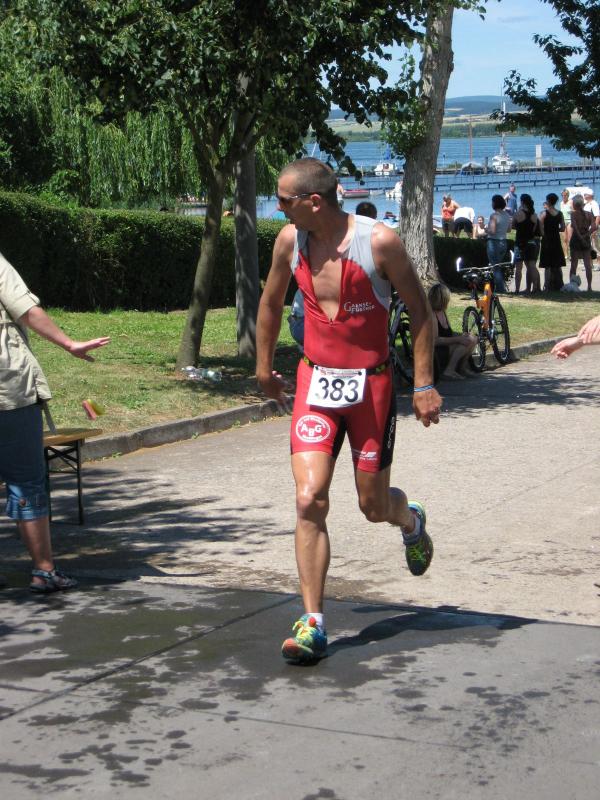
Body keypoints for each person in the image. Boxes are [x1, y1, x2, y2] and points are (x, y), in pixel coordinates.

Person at [256, 157, 441, 664]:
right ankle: (313, 622)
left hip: (370, 388)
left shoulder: (379, 242)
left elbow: (421, 312)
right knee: (309, 497)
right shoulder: (289, 242)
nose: (278, 208)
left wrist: (424, 382)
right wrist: (264, 368)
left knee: (372, 506)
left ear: (314, 202)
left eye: (284, 200)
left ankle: (409, 520)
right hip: (315, 383)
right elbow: (270, 304)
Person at [0, 251, 110, 592]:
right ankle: (44, 571)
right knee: (26, 481)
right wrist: (69, 343)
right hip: (8, 390)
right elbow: (26, 309)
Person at [428, 283, 477, 380]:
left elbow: (448, 333)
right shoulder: (432, 315)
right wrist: (458, 339)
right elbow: (435, 341)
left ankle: (461, 368)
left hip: (445, 347)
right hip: (435, 352)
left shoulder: (442, 312)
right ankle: (449, 371)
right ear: (443, 299)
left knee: (473, 339)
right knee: (465, 343)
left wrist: (462, 336)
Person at [513, 193, 541, 294]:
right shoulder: (534, 215)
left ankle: (517, 289)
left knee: (518, 268)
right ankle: (535, 287)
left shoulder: (518, 214)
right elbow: (533, 230)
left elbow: (513, 226)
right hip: (531, 242)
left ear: (522, 202)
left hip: (520, 242)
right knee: (532, 266)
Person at [568, 194, 596, 292]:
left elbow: (575, 228)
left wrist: (580, 237)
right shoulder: (589, 214)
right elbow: (594, 227)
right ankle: (589, 286)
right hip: (586, 240)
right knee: (588, 265)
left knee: (574, 265)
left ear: (575, 205)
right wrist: (586, 236)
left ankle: (572, 285)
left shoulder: (573, 214)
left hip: (576, 240)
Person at [539, 192, 566, 292]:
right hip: (556, 239)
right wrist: (555, 229)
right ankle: (560, 284)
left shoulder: (544, 213)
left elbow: (540, 228)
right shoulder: (560, 213)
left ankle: (547, 286)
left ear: (548, 201)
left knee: (547, 265)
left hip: (547, 239)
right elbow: (563, 228)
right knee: (557, 264)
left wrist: (544, 233)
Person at [486, 194, 512, 293]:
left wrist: (485, 229)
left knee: (495, 267)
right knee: (498, 266)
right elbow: (509, 230)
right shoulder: (507, 215)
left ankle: (501, 289)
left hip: (494, 242)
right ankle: (498, 287)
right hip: (503, 242)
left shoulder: (494, 215)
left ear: (495, 203)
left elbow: (492, 231)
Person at [583, 189, 600, 268]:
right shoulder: (586, 204)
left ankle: (599, 264)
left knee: (595, 246)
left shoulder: (594, 204)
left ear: (590, 195)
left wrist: (594, 228)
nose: (584, 195)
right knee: (588, 246)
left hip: (592, 227)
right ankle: (590, 264)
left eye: (585, 194)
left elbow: (597, 216)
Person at [559, 188, 572, 256]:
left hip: (569, 221)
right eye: (562, 195)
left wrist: (571, 211)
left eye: (565, 195)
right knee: (564, 239)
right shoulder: (561, 203)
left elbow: (575, 211)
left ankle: (572, 254)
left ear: (568, 195)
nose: (564, 196)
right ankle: (566, 255)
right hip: (563, 221)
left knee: (570, 238)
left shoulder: (571, 201)